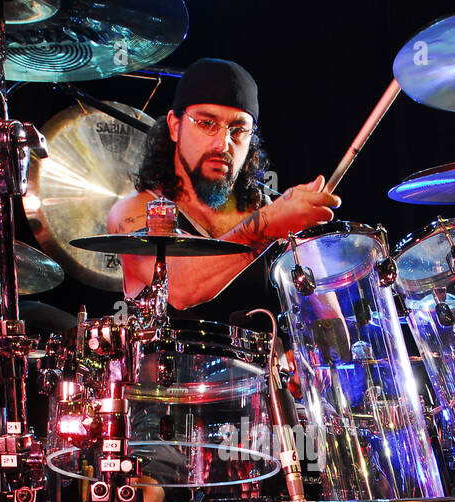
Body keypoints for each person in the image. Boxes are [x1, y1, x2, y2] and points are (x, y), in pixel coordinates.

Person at [106, 57, 340, 320]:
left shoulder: (274, 208)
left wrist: (301, 352)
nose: (222, 144)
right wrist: (269, 225)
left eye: (238, 129)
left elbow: (329, 324)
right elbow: (179, 289)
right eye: (206, 124)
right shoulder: (133, 211)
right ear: (174, 126)